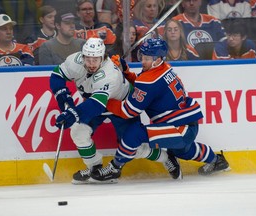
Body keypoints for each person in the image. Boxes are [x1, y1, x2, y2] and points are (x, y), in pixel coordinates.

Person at [88, 38, 230, 182]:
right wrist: (126, 71)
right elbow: (143, 83)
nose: (143, 61)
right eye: (142, 57)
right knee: (183, 150)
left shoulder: (150, 80)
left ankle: (114, 168)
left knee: (134, 133)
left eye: (147, 58)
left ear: (158, 59)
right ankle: (217, 161)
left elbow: (129, 111)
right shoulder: (164, 68)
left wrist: (104, 100)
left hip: (179, 129)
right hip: (188, 125)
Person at [50, 37, 182, 184]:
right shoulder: (75, 61)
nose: (91, 64)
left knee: (134, 147)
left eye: (95, 60)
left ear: (103, 57)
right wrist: (63, 97)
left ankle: (166, 158)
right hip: (96, 104)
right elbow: (57, 75)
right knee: (78, 132)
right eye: (88, 59)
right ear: (82, 56)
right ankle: (95, 169)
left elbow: (96, 105)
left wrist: (72, 114)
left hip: (121, 106)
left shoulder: (109, 74)